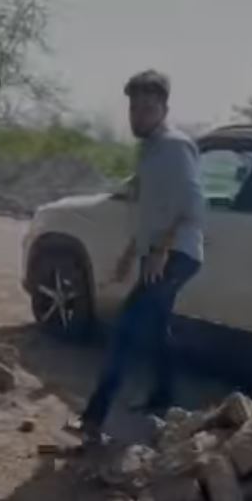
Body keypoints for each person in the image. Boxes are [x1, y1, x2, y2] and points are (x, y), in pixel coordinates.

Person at [72, 69, 205, 442]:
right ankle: (165, 400)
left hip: (176, 255)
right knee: (155, 329)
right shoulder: (149, 150)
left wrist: (160, 250)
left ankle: (93, 419)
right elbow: (151, 212)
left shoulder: (175, 146)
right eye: (134, 108)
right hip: (160, 253)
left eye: (147, 109)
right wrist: (130, 255)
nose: (138, 116)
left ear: (164, 109)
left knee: (125, 331)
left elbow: (193, 206)